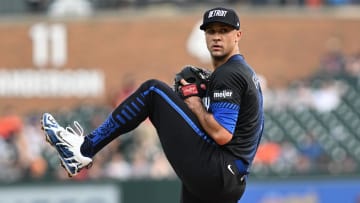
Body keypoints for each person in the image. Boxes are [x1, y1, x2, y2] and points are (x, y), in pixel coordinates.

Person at [41, 7, 264, 203]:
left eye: (224, 31)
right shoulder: (244, 72)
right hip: (230, 180)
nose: (217, 37)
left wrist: (195, 103)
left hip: (218, 172)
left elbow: (222, 133)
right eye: (211, 31)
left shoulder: (229, 73)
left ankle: (83, 149)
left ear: (238, 35)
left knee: (152, 91)